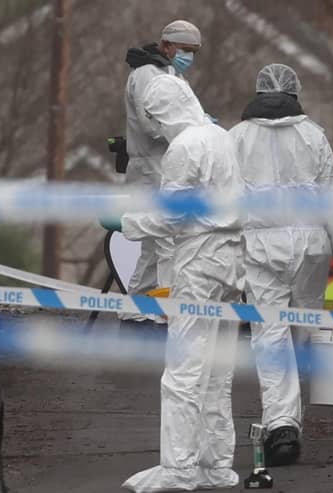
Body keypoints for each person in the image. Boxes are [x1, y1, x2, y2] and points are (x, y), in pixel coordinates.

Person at [229, 63, 333, 466]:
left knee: (270, 335)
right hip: (310, 248)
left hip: (260, 248)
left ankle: (282, 421)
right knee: (302, 329)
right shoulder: (313, 136)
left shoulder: (235, 138)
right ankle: (286, 421)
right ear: (295, 92)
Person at [120, 74, 244, 492]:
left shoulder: (184, 148)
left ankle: (178, 470)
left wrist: (127, 223)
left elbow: (171, 217)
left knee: (183, 371)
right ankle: (216, 465)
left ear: (158, 114)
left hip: (200, 258)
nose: (153, 128)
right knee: (218, 370)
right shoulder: (221, 136)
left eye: (152, 119)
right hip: (232, 258)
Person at [122, 20, 202, 316]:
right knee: (166, 241)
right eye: (185, 50)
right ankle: (165, 313)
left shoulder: (171, 73)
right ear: (166, 45)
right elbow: (150, 122)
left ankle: (134, 311)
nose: (188, 57)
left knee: (156, 248)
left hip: (166, 164)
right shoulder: (146, 73)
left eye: (193, 51)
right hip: (150, 166)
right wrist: (188, 130)